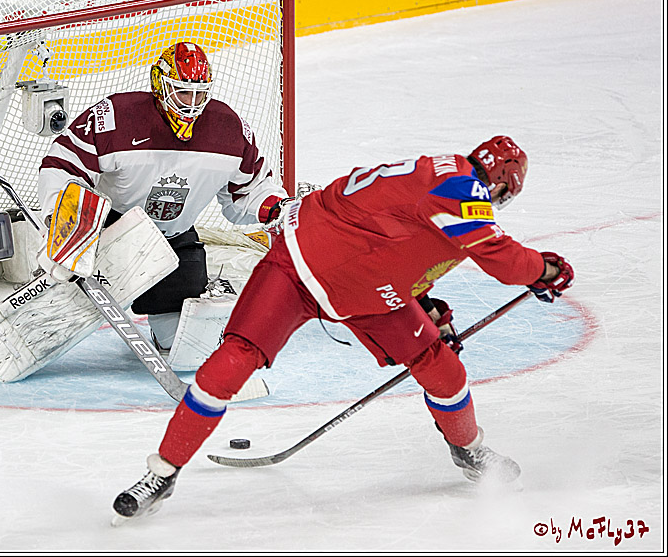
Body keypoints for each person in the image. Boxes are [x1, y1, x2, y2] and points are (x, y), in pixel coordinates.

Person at [112, 136, 575, 521]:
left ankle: (469, 449)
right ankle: (165, 470)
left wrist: (422, 300)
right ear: (501, 186)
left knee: (442, 367)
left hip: (351, 278)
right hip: (302, 270)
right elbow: (504, 259)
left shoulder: (435, 171)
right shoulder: (463, 189)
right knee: (230, 364)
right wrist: (545, 270)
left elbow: (388, 236)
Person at [36, 41, 290, 357]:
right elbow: (63, 165)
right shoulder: (116, 117)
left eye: (200, 93)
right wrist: (63, 221)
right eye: (183, 92)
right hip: (108, 235)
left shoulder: (229, 129)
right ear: (160, 84)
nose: (192, 104)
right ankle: (44, 299)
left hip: (174, 241)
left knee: (181, 348)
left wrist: (278, 208)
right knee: (50, 319)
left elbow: (250, 191)